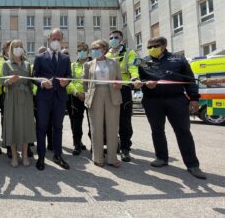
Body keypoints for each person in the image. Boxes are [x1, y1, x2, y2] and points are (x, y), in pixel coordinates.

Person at [138, 37, 206, 179]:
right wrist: (144, 83)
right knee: (157, 130)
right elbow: (139, 78)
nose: (151, 49)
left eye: (155, 46)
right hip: (152, 101)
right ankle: (161, 158)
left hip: (176, 99)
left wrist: (194, 98)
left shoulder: (178, 59)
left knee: (183, 131)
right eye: (149, 47)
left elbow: (189, 79)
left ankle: (192, 164)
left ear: (164, 45)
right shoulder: (144, 61)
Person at [33, 28, 72, 171]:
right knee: (42, 128)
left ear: (61, 40)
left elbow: (69, 75)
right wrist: (41, 82)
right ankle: (41, 157)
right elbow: (34, 76)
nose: (56, 41)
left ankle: (57, 155)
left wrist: (67, 81)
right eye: (53, 38)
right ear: (48, 39)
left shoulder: (65, 58)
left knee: (58, 128)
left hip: (60, 98)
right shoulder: (40, 57)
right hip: (44, 98)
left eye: (58, 39)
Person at [83, 40, 122, 168]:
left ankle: (112, 157)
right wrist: (87, 95)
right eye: (93, 48)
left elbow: (120, 80)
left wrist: (118, 84)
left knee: (112, 126)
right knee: (96, 127)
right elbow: (85, 83)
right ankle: (98, 156)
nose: (95, 51)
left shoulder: (114, 62)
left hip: (112, 94)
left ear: (105, 49)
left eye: (97, 48)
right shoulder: (88, 65)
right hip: (95, 95)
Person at [105, 30, 142, 162]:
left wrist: (135, 78)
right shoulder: (107, 54)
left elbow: (133, 68)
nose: (113, 39)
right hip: (109, 90)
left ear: (122, 40)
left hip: (124, 89)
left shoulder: (129, 53)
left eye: (116, 37)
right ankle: (113, 145)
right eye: (111, 38)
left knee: (124, 121)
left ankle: (125, 148)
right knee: (110, 120)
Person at [2, 40, 36, 167]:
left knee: (26, 125)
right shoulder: (6, 64)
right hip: (12, 97)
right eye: (16, 47)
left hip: (26, 97)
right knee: (12, 125)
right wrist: (10, 81)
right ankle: (14, 155)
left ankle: (25, 154)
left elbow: (30, 82)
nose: (19, 49)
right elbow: (2, 82)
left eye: (21, 46)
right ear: (11, 49)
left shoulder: (27, 64)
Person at [66, 42, 89, 155]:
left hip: (90, 97)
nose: (81, 52)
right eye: (79, 51)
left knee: (93, 123)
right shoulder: (73, 65)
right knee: (76, 122)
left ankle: (95, 145)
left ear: (88, 52)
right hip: (76, 97)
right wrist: (76, 93)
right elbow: (69, 82)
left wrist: (87, 93)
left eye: (84, 50)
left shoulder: (93, 64)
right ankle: (77, 144)